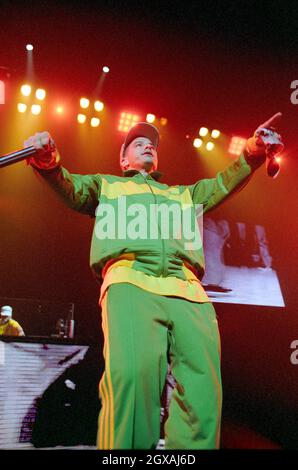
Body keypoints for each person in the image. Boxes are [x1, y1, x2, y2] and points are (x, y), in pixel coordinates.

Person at [24, 113, 283, 450]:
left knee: (203, 394)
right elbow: (69, 186)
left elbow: (224, 181)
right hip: (131, 285)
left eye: (152, 144)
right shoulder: (107, 186)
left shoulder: (183, 194)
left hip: (190, 294)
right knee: (133, 380)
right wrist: (47, 161)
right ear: (123, 158)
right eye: (137, 143)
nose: (148, 145)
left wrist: (252, 150)